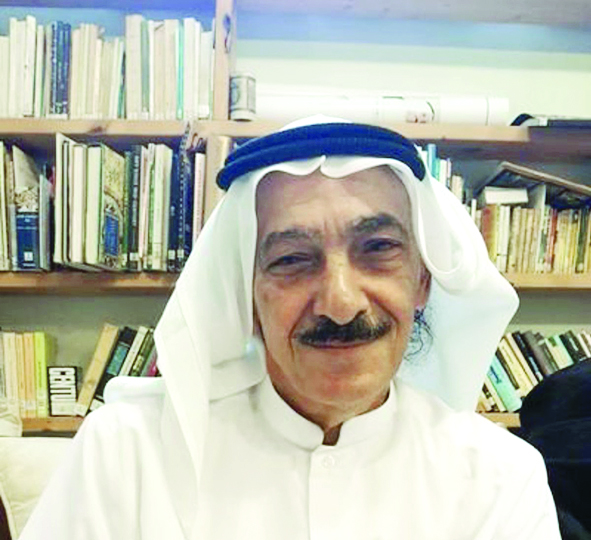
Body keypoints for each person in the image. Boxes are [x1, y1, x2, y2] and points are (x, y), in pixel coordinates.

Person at [19, 117, 561, 540]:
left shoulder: (500, 477)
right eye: (292, 260)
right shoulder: (126, 452)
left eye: (378, 249)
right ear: (247, 297)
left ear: (422, 282)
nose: (341, 304)